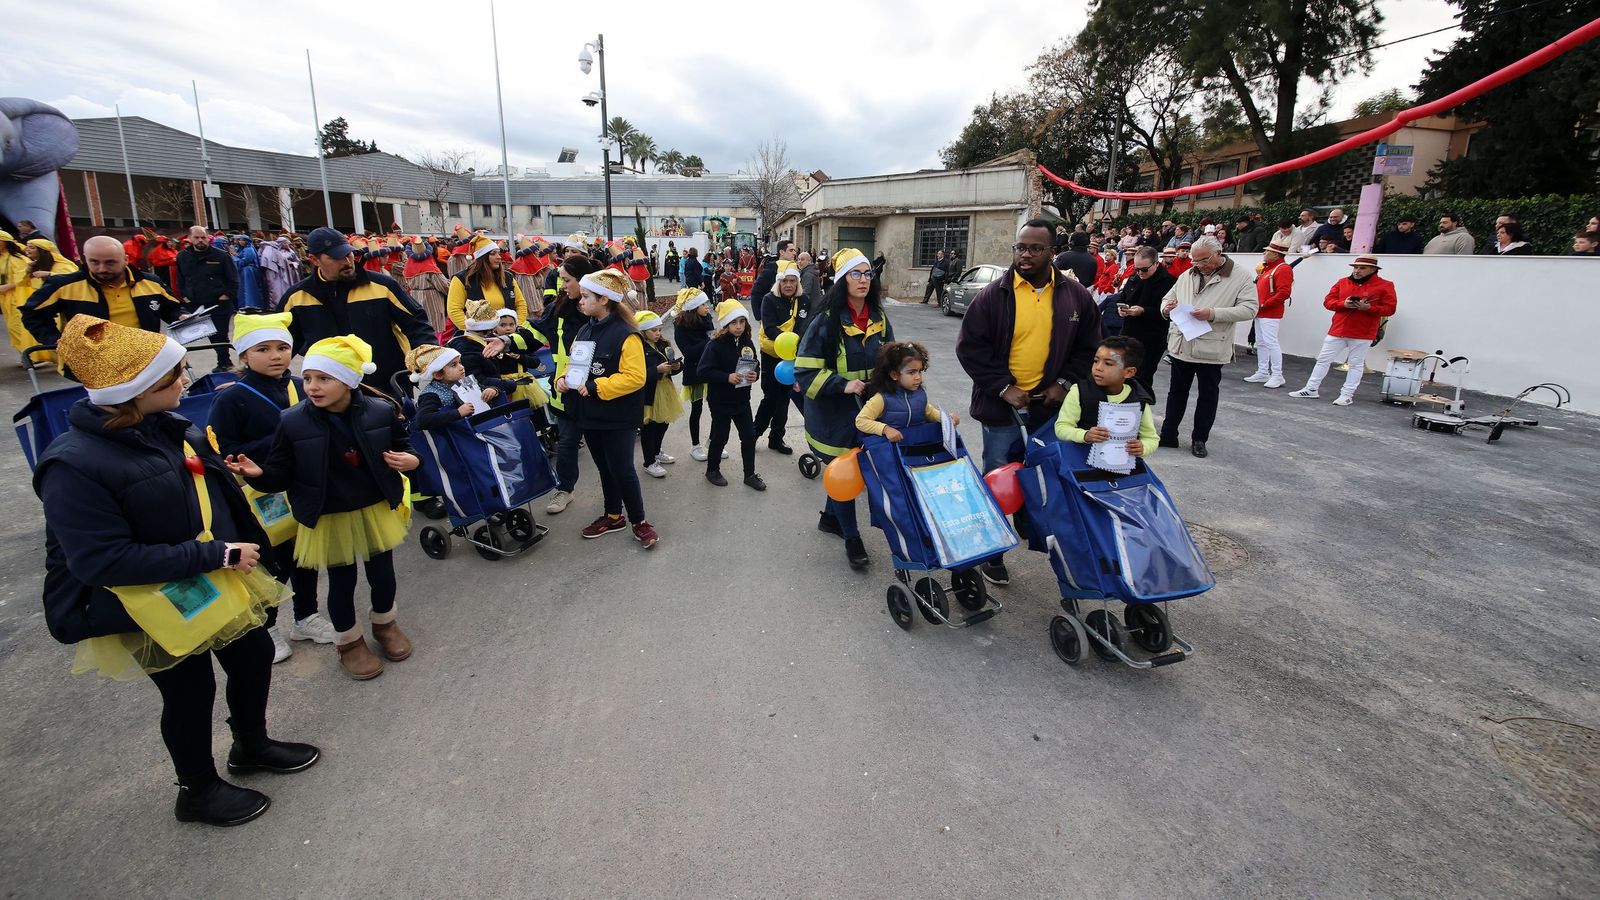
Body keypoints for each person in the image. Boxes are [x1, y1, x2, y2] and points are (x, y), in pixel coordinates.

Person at [35, 314, 318, 827]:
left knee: (253, 655)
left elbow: (221, 499)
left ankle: (250, 745)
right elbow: (100, 559)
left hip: (216, 576)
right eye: (175, 375)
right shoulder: (72, 465)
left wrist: (257, 551)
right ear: (137, 389)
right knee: (189, 691)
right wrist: (216, 555)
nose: (186, 380)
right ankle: (197, 789)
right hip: (153, 598)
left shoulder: (173, 427)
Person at [225, 335, 418, 681]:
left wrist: (411, 459)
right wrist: (260, 475)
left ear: (349, 380)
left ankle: (385, 625)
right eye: (309, 377)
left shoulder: (381, 410)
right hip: (328, 514)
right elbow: (281, 473)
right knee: (342, 582)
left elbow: (405, 445)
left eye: (324, 378)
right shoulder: (293, 421)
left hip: (374, 508)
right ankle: (349, 642)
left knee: (382, 575)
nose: (312, 386)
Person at [955, 219, 1100, 585]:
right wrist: (1003, 388)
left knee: (1044, 477)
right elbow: (970, 348)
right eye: (1021, 247)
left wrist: (1063, 384)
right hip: (1003, 408)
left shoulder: (1074, 295)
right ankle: (993, 554)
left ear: (1053, 252)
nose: (1026, 254)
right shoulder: (993, 295)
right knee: (998, 478)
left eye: (1035, 248)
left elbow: (1089, 348)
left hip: (1050, 410)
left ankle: (1038, 534)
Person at [206, 313, 334, 665]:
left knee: (306, 555)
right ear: (244, 356)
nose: (276, 355)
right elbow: (222, 448)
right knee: (271, 563)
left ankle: (305, 617)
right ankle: (268, 625)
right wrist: (283, 439)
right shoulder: (231, 400)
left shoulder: (299, 384)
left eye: (282, 347)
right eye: (263, 349)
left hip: (299, 485)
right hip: (261, 495)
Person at [795, 248, 893, 570]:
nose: (864, 280)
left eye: (867, 274)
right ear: (842, 280)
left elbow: (890, 361)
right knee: (847, 470)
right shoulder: (825, 321)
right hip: (834, 415)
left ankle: (830, 518)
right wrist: (843, 384)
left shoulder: (879, 317)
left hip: (868, 411)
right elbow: (806, 370)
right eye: (856, 274)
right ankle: (852, 538)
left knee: (849, 472)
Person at [555, 268, 659, 548]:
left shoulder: (627, 334)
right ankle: (613, 515)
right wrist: (562, 380)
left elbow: (635, 378)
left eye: (587, 296)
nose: (581, 301)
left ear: (604, 300)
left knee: (622, 468)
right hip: (588, 415)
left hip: (618, 417)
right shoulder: (585, 330)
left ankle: (639, 521)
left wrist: (598, 386)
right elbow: (571, 365)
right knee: (604, 467)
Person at [280, 227, 436, 391]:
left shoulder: (382, 285)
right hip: (330, 392)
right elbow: (279, 342)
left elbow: (416, 322)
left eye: (348, 254)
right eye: (336, 257)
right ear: (314, 260)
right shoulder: (297, 297)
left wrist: (431, 358)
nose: (347, 262)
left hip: (389, 385)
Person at [1156, 236, 1258, 458]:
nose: (1198, 265)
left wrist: (1213, 313)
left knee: (1207, 396)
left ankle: (1199, 439)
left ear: (1218, 254)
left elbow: (1250, 309)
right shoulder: (1188, 274)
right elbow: (1167, 298)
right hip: (1182, 343)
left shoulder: (1240, 276)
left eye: (1203, 260)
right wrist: (1167, 308)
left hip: (1212, 347)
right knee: (1176, 392)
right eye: (1195, 261)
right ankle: (1168, 434)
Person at [20, 235, 183, 373]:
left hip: (144, 361)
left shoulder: (150, 282)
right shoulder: (65, 285)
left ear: (125, 259)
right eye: (94, 262)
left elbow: (172, 308)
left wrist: (182, 316)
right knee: (109, 410)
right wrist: (55, 339)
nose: (102, 268)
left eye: (110, 262)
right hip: (92, 368)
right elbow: (32, 314)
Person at [517, 255, 601, 515]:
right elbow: (535, 334)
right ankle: (565, 488)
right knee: (566, 445)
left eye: (567, 280)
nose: (562, 285)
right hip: (564, 392)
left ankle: (615, 495)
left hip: (599, 394)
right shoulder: (558, 308)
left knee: (605, 450)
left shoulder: (603, 310)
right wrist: (508, 342)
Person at [1289, 255, 1398, 406]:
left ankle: (1347, 394)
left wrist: (1370, 308)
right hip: (1339, 328)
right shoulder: (1343, 282)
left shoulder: (1385, 285)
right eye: (1355, 267)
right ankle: (1311, 388)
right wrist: (1343, 304)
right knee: (1323, 360)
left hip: (1363, 331)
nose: (1357, 271)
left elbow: (1390, 308)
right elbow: (1328, 301)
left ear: (1373, 269)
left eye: (1362, 268)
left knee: (1355, 364)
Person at [698, 299, 766, 491]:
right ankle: (712, 470)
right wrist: (726, 377)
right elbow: (703, 371)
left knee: (749, 435)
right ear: (726, 324)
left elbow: (755, 363)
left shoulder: (747, 342)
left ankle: (750, 474)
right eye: (734, 323)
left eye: (742, 322)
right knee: (720, 436)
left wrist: (755, 373)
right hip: (720, 401)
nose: (738, 327)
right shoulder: (715, 345)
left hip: (742, 399)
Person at [1053, 335, 1158, 459]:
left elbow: (1151, 438)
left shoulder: (1138, 399)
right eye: (1096, 360)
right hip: (1079, 462)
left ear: (1129, 372)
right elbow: (1061, 427)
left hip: (1119, 465)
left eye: (1108, 363)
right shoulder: (1079, 391)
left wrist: (1143, 447)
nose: (1098, 368)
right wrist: (1084, 435)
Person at [751, 262, 808, 454]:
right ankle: (753, 435)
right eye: (785, 281)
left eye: (792, 281)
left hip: (793, 357)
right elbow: (769, 327)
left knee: (785, 398)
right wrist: (789, 341)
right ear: (779, 282)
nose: (789, 285)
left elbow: (805, 325)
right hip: (772, 354)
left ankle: (776, 438)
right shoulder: (769, 299)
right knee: (770, 398)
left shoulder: (803, 300)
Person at [853, 340, 955, 442]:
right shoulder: (882, 398)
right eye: (911, 372)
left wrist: (945, 418)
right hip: (892, 449)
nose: (918, 377)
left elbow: (929, 412)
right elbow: (861, 421)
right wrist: (885, 429)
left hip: (916, 446)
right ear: (894, 375)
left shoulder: (919, 395)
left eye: (920, 371)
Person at [1113, 246, 1177, 399]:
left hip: (1152, 338)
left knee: (1142, 378)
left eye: (1144, 269)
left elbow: (1170, 313)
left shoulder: (1170, 282)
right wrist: (1121, 310)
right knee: (1121, 375)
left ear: (1156, 263)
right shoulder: (1134, 277)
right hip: (1129, 334)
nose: (1140, 273)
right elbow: (1122, 299)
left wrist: (1143, 311)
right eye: (1137, 269)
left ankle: (1140, 410)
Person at [175, 226, 240, 371]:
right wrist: (185, 296)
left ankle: (224, 362)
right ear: (190, 238)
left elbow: (233, 278)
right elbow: (180, 279)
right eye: (197, 238)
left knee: (221, 334)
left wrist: (227, 295)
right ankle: (223, 360)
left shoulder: (221, 256)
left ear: (208, 238)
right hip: (196, 303)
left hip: (219, 303)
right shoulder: (182, 257)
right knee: (209, 333)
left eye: (203, 237)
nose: (200, 241)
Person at [404, 343, 506, 431]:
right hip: (457, 438)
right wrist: (458, 413)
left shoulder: (465, 382)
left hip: (481, 428)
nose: (461, 367)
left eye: (460, 362)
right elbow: (423, 420)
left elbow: (483, 389)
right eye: (454, 365)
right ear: (438, 375)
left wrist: (493, 390)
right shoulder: (431, 394)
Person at [671, 288, 721, 464]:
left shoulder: (706, 319)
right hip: (695, 372)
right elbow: (688, 352)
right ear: (693, 307)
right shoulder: (681, 325)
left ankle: (713, 441)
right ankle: (695, 445)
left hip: (712, 369)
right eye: (703, 304)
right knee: (697, 409)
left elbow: (713, 341)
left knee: (717, 407)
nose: (707, 307)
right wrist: (710, 341)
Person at [633, 310, 684, 478]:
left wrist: (676, 367)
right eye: (653, 330)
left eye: (659, 330)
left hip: (665, 389)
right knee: (650, 427)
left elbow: (670, 363)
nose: (658, 334)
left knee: (663, 423)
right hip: (649, 392)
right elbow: (636, 373)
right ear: (642, 331)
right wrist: (656, 370)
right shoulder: (638, 347)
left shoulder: (662, 344)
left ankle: (656, 452)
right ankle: (649, 462)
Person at [447, 234, 529, 335]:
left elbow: (521, 305)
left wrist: (515, 327)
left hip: (507, 336)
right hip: (477, 338)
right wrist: (477, 330)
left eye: (498, 253)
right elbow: (454, 310)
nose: (499, 257)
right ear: (483, 258)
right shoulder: (462, 279)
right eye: (493, 254)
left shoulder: (507, 277)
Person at [1242, 239, 1293, 389]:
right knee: (1262, 342)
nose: (1264, 253)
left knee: (1271, 342)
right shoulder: (1268, 269)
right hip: (1261, 311)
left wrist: (1265, 304)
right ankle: (1263, 371)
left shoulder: (1283, 269)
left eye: (1268, 251)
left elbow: (1284, 292)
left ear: (1276, 254)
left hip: (1269, 312)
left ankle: (1277, 374)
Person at [401, 236, 450, 334]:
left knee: (421, 327)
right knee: (434, 327)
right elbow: (444, 287)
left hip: (415, 297)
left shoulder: (407, 268)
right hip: (432, 300)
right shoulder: (430, 269)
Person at [257, 237, 301, 309]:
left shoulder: (291, 252)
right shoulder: (275, 251)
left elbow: (297, 261)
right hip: (281, 273)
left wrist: (292, 264)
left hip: (291, 271)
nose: (287, 244)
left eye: (287, 243)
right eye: (285, 243)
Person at [752, 239, 796, 308]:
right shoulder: (770, 270)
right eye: (791, 250)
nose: (794, 253)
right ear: (782, 252)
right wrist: (759, 316)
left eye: (794, 250)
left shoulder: (795, 268)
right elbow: (756, 293)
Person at [231, 235, 266, 312]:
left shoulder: (249, 249)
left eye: (242, 240)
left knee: (249, 288)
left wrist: (235, 259)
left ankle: (252, 305)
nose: (240, 242)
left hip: (249, 272)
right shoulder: (242, 249)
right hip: (245, 272)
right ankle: (245, 305)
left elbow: (246, 260)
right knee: (244, 288)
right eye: (239, 240)